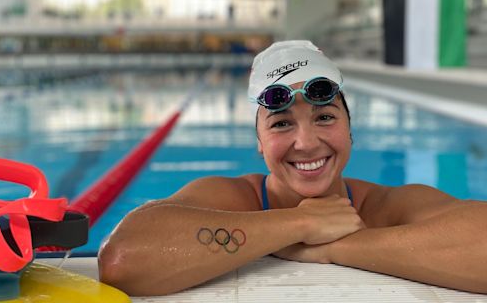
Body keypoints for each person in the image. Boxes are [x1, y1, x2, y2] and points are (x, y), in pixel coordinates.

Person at [98, 40, 487, 296]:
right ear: (259, 143)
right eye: (282, 123)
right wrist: (298, 225)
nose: (306, 143)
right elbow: (123, 258)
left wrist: (333, 247)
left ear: (350, 130)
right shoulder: (233, 198)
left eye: (325, 118)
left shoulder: (385, 205)